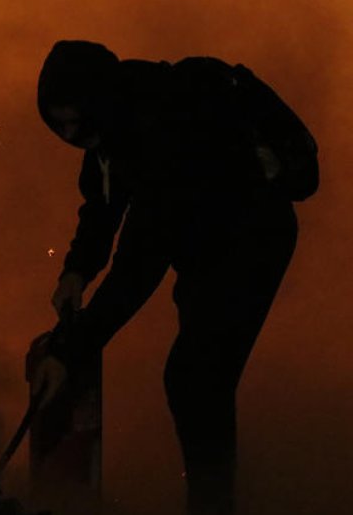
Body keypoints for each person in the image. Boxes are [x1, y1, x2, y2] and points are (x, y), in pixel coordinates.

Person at [32, 40, 315, 515]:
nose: (71, 135)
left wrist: (69, 351)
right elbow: (103, 206)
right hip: (203, 249)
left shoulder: (166, 129)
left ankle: (212, 503)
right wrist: (77, 270)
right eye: (59, 127)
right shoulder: (114, 128)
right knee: (197, 378)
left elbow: (139, 266)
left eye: (76, 124)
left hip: (252, 242)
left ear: (99, 104)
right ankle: (212, 497)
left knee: (195, 377)